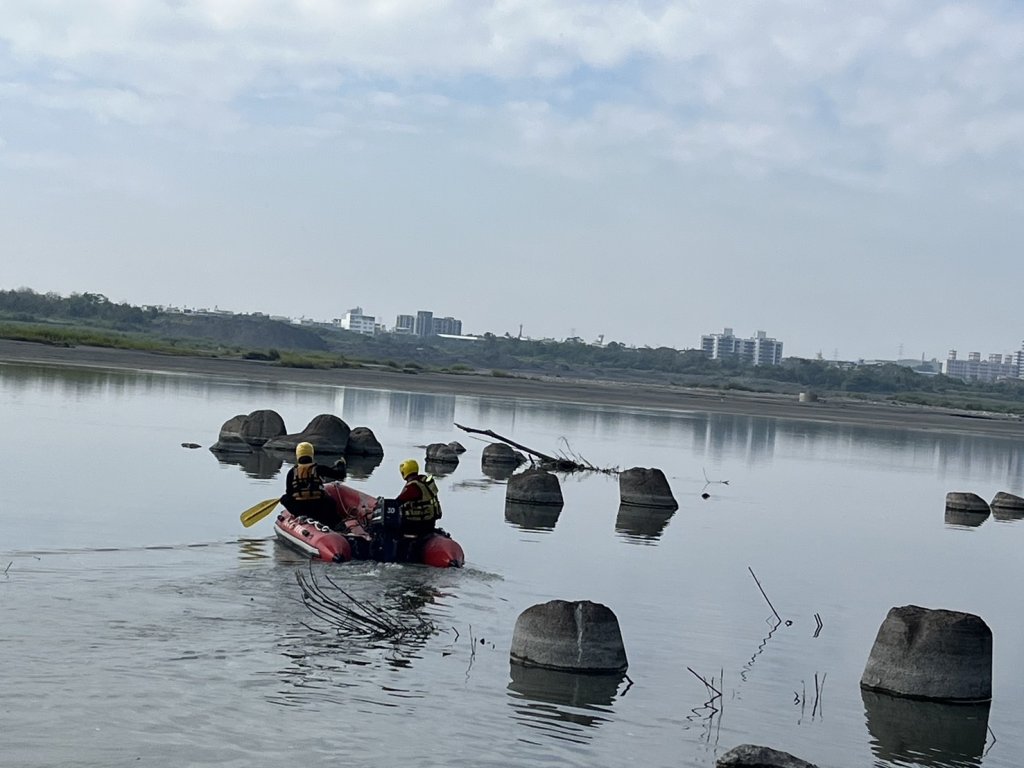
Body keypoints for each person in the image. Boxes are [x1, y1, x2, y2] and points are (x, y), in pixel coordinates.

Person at [372, 458, 442, 561]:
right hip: (429, 523)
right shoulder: (425, 482)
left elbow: (397, 502)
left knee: (386, 529)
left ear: (404, 471)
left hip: (416, 525)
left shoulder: (413, 487)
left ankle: (387, 557)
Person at [280, 442, 348, 529]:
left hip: (300, 509)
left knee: (284, 499)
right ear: (311, 454)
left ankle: (300, 516)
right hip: (318, 507)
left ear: (298, 455)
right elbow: (340, 475)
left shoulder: (291, 472)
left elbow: (289, 493)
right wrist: (341, 465)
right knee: (330, 501)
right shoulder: (319, 469)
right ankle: (335, 524)